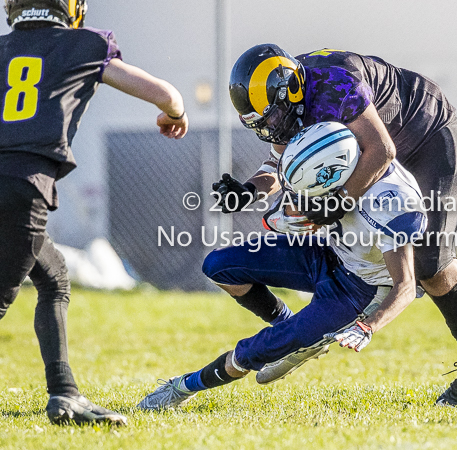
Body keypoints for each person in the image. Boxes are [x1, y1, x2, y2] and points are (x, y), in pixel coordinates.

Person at [215, 44, 457, 406]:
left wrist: (336, 203)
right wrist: (248, 191)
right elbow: (279, 164)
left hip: (430, 139)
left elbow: (382, 151)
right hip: (385, 150)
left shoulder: (332, 84)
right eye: (264, 123)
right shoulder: (293, 93)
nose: (272, 128)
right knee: (434, 267)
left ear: (288, 91)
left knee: (430, 262)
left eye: (272, 117)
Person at [136, 122, 427, 410]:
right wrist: (251, 192)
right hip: (329, 251)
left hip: (360, 289)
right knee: (219, 265)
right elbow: (278, 193)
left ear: (334, 178)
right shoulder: (330, 146)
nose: (299, 198)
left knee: (255, 352)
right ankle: (289, 326)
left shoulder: (392, 202)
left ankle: (183, 386)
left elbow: (405, 285)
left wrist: (368, 327)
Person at [0, 0, 189, 425]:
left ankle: (65, 394)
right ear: (66, 3)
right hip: (22, 189)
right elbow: (166, 95)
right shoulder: (83, 44)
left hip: (10, 187)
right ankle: (65, 396)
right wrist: (174, 114)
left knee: (54, 278)